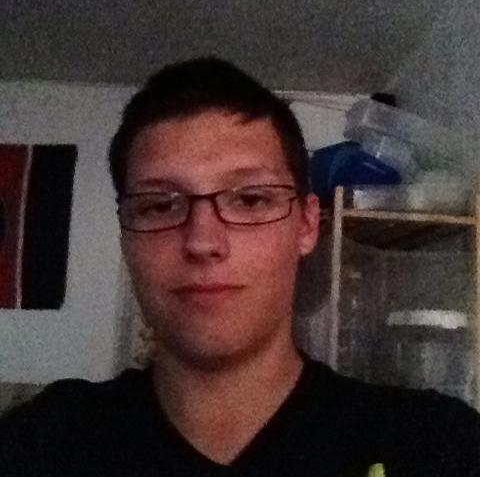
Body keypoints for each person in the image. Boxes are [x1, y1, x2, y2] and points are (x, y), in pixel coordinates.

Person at [1, 57, 480, 477]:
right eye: (159, 205)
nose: (203, 242)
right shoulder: (40, 445)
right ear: (126, 236)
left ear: (307, 225)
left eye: (250, 199)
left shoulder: (435, 447)